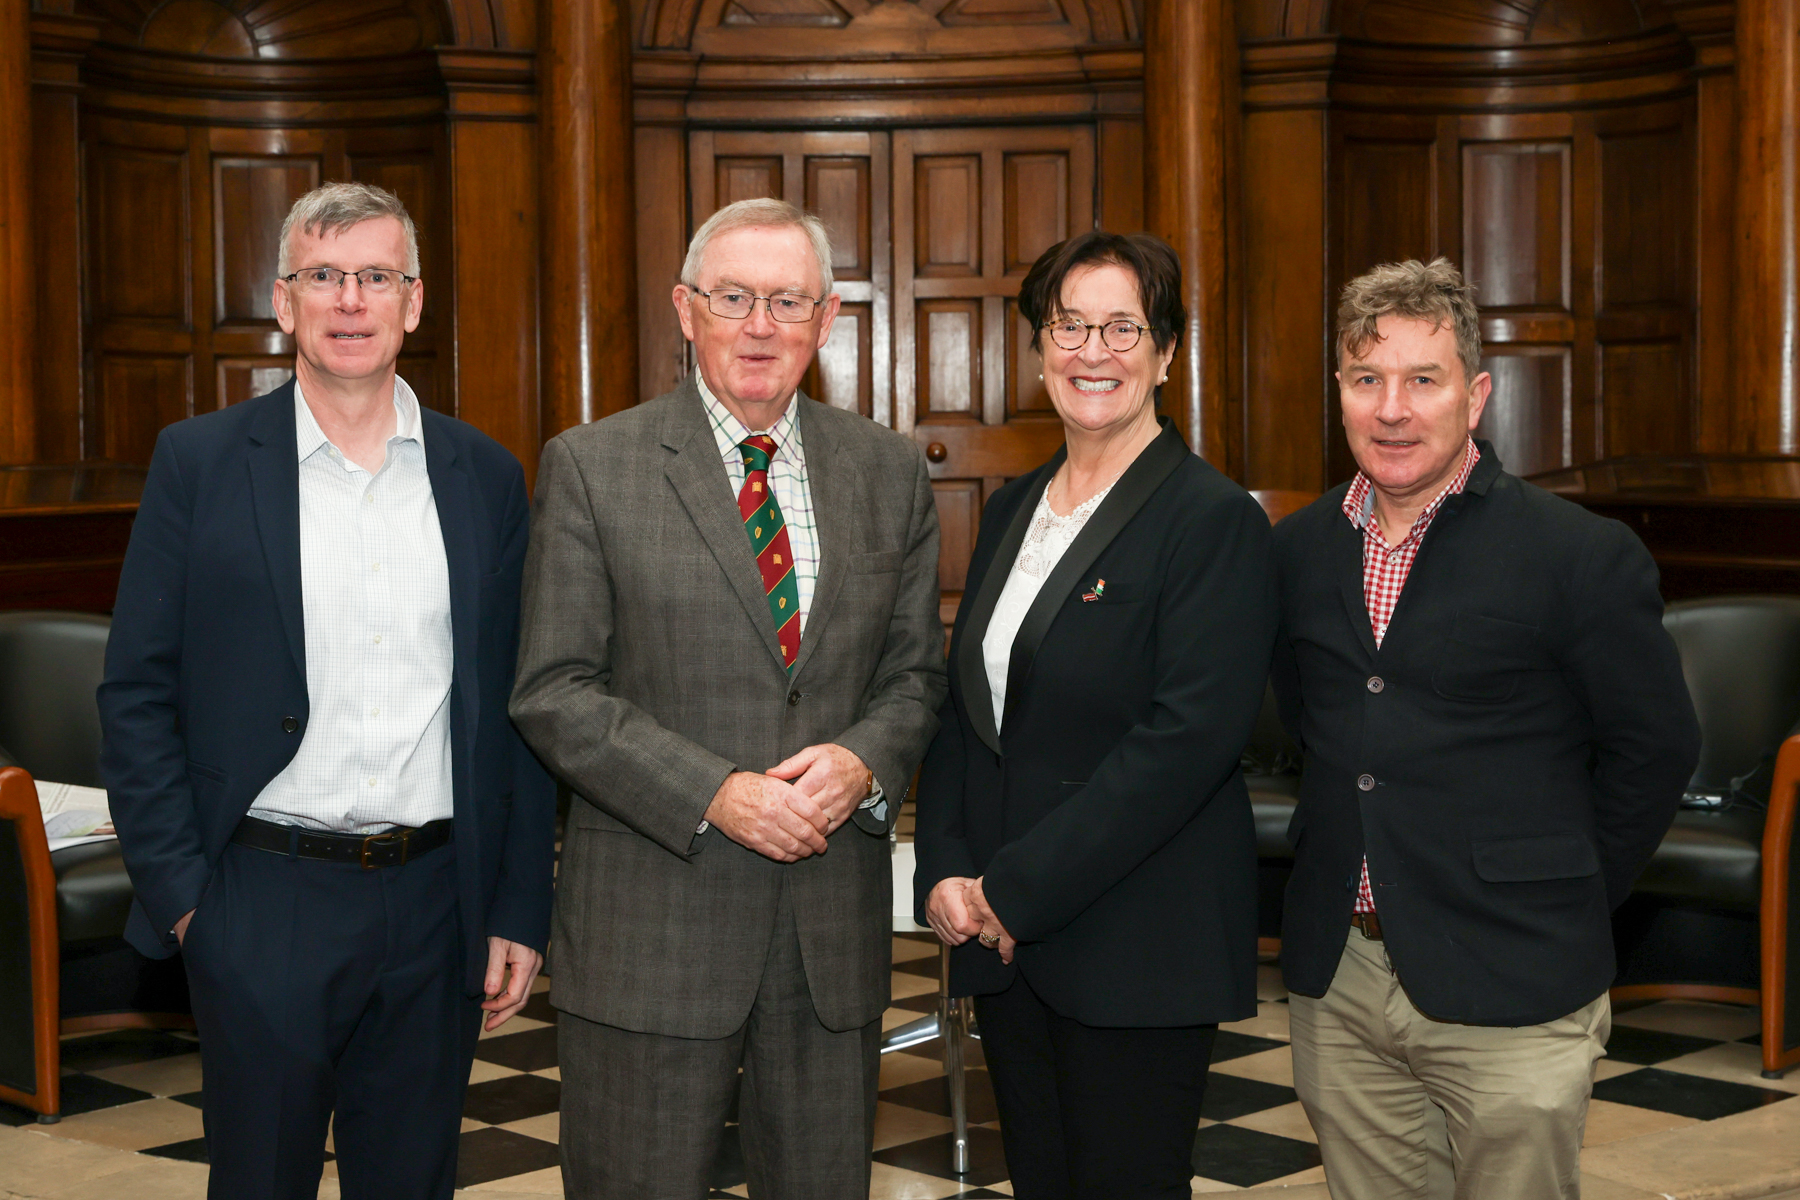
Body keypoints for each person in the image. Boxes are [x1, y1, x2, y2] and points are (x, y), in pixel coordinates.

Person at [96, 182, 555, 1199]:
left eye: (376, 276)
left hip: (437, 901)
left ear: (415, 301)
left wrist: (520, 904)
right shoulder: (202, 464)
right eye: (325, 277)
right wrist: (185, 905)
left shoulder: (483, 475)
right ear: (285, 299)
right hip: (262, 895)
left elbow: (518, 708)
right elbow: (135, 691)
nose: (352, 300)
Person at [510, 196, 947, 1199]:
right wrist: (715, 792)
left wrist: (860, 762)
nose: (760, 325)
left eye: (787, 301)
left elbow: (916, 672)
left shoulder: (887, 471)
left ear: (828, 320)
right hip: (653, 928)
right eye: (734, 297)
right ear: (684, 308)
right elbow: (553, 690)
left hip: (827, 940)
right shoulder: (594, 466)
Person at [1271, 257, 1701, 1199]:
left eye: (1423, 380)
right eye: (1367, 379)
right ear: (1338, 392)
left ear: (1476, 394)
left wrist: (1565, 892)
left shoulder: (1577, 555)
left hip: (1515, 975)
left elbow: (1655, 748)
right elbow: (1311, 723)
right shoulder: (1296, 551)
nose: (1393, 409)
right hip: (1340, 978)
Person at [912, 230, 1277, 1200]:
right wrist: (947, 866)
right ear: (1038, 349)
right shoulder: (1011, 509)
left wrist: (1011, 888)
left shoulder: (1211, 520)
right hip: (1005, 944)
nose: (1092, 351)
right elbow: (966, 713)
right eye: (1068, 325)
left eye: (1123, 327)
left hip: (1133, 942)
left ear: (1167, 353)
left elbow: (1186, 742)